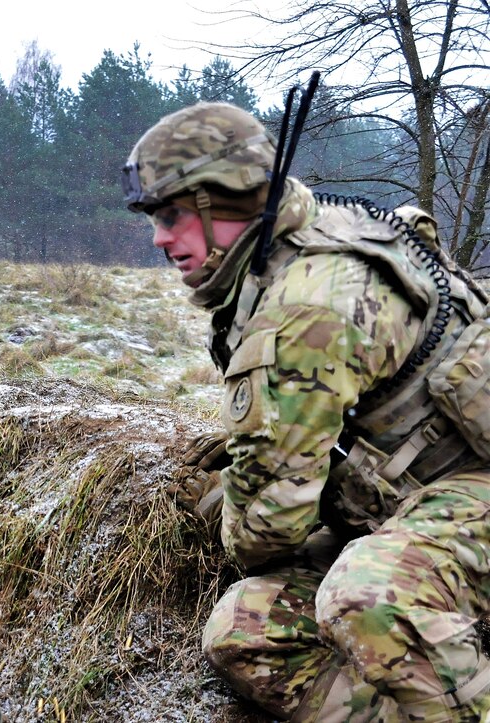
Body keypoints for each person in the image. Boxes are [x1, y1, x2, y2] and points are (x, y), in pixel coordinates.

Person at [123, 102, 490, 722]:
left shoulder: (306, 305)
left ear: (228, 201)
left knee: (369, 597)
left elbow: (268, 531)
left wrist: (227, 501)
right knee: (248, 631)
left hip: (470, 490)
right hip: (412, 501)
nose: (160, 238)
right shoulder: (293, 246)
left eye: (172, 216)